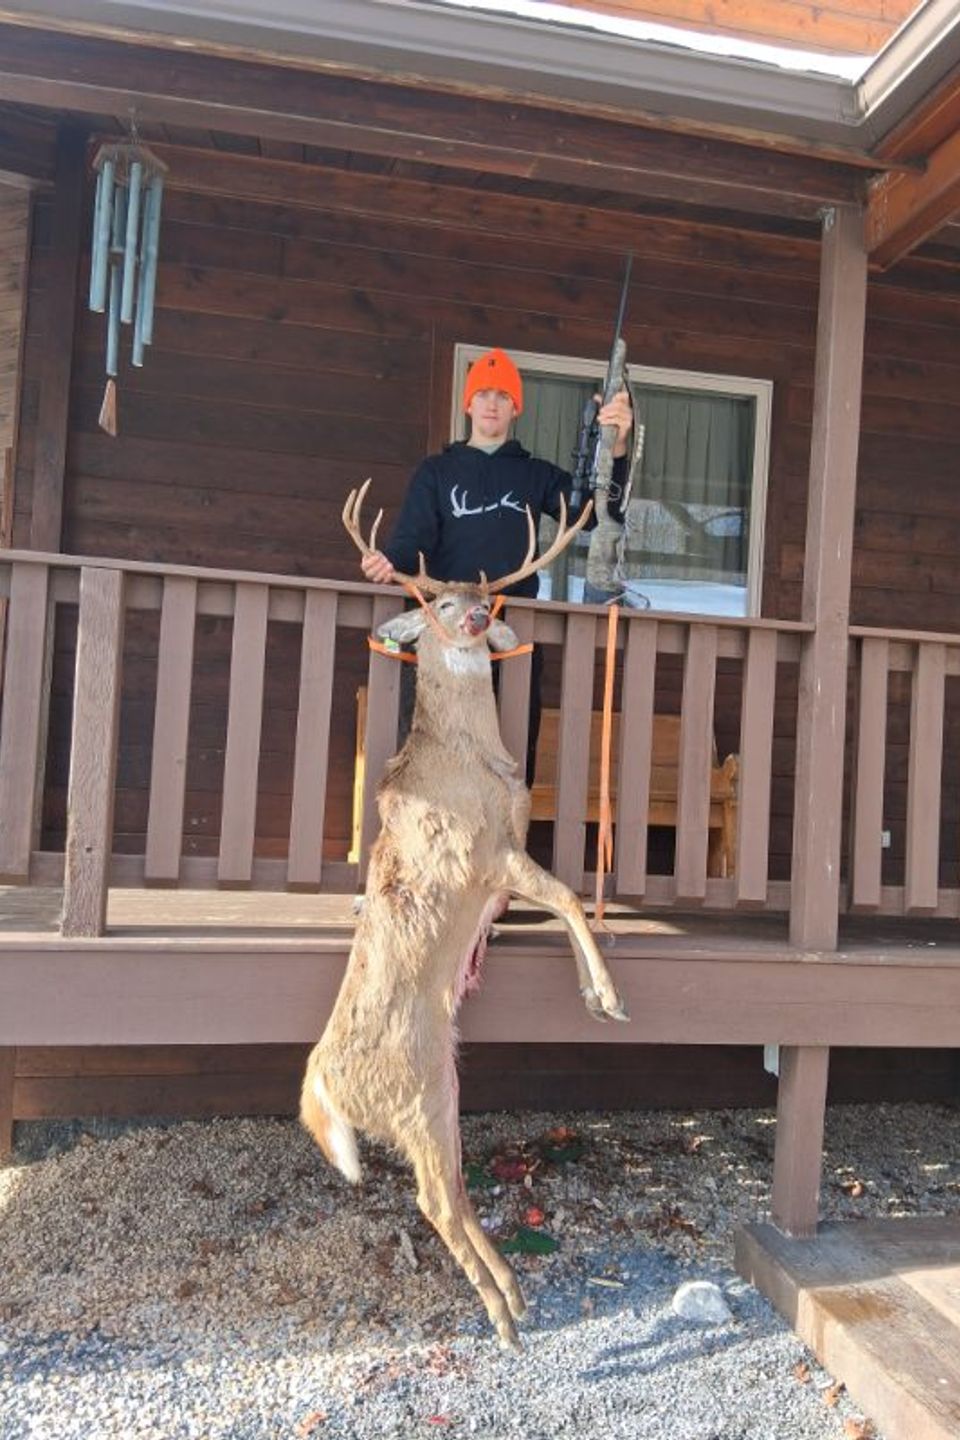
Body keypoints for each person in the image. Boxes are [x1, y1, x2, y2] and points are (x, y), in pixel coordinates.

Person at [360, 347, 635, 780]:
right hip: (442, 636)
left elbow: (594, 514)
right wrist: (386, 562)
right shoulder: (436, 473)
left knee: (507, 766)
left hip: (509, 634)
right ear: (468, 403)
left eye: (503, 395)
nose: (492, 403)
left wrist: (617, 450)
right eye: (484, 393)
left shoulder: (535, 476)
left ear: (515, 408)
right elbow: (410, 543)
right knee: (432, 764)